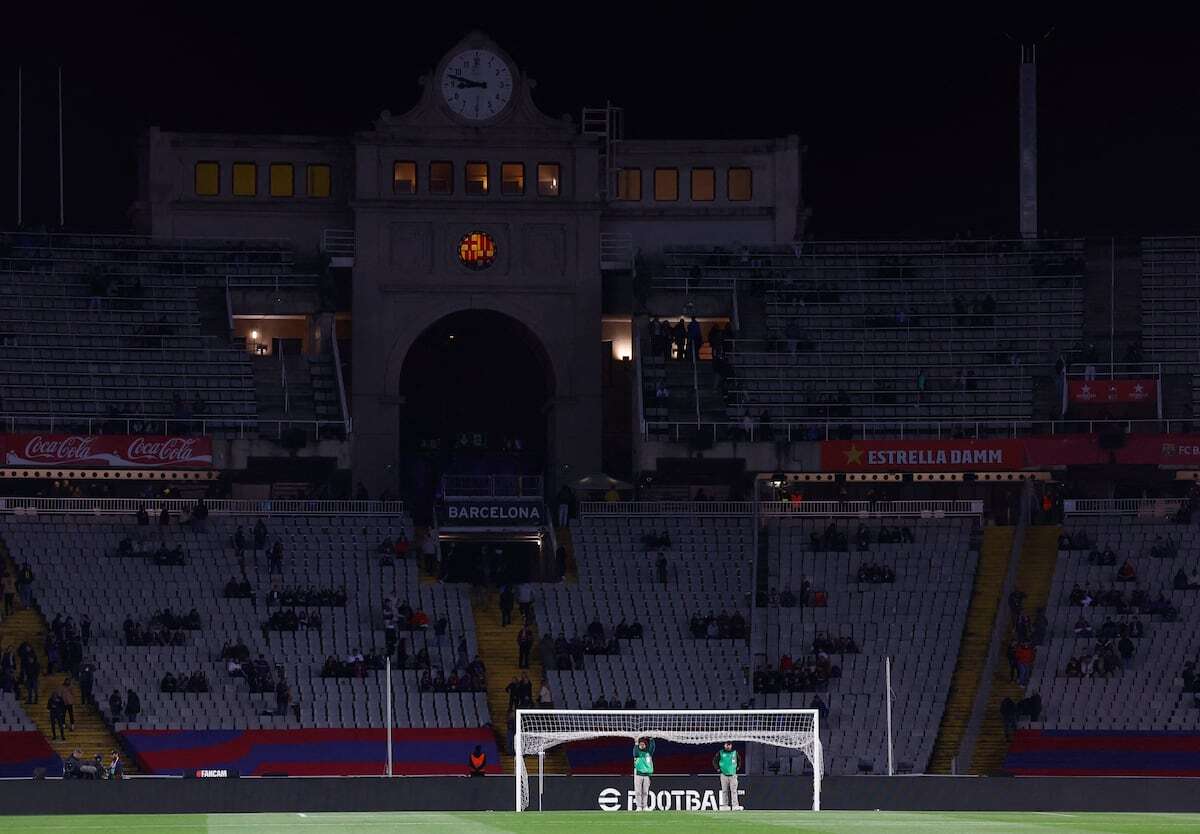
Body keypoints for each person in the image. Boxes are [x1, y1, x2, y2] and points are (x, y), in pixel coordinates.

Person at [713, 741, 742, 811]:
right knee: (724, 791)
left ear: (731, 745)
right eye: (727, 745)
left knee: (734, 791)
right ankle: (725, 805)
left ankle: (735, 805)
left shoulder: (735, 752)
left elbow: (739, 760)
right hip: (724, 775)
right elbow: (715, 761)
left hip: (733, 775)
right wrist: (717, 769)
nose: (728, 746)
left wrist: (737, 768)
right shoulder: (721, 753)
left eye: (729, 745)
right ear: (724, 745)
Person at [632, 737, 655, 812]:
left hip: (646, 775)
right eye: (640, 744)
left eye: (643, 744)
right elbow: (635, 753)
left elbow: (652, 747)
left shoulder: (648, 753)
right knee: (638, 791)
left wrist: (651, 739)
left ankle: (645, 806)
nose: (641, 745)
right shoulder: (638, 753)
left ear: (645, 745)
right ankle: (638, 806)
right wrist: (636, 743)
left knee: (645, 792)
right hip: (638, 774)